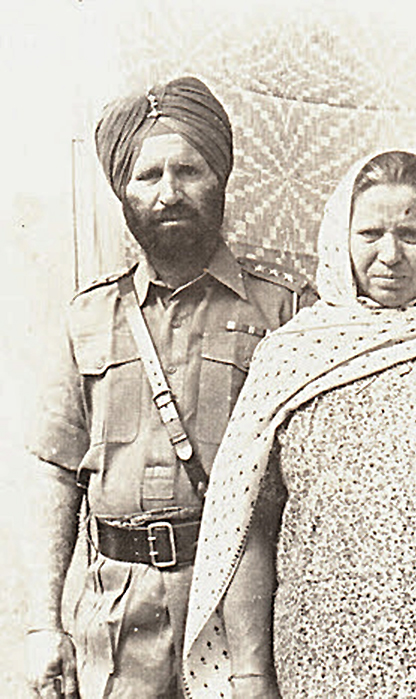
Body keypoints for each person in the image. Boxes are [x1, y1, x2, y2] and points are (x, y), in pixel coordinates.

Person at [182, 150, 416, 698]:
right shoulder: (291, 356)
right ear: (342, 234)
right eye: (371, 233)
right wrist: (250, 675)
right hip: (320, 662)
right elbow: (251, 525)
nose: (390, 255)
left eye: (411, 234)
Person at [23, 76, 313, 698]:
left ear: (222, 180)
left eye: (190, 170)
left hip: (244, 608)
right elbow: (53, 471)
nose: (169, 192)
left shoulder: (286, 313)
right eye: (147, 175)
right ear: (123, 193)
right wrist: (44, 625)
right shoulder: (87, 317)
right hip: (118, 619)